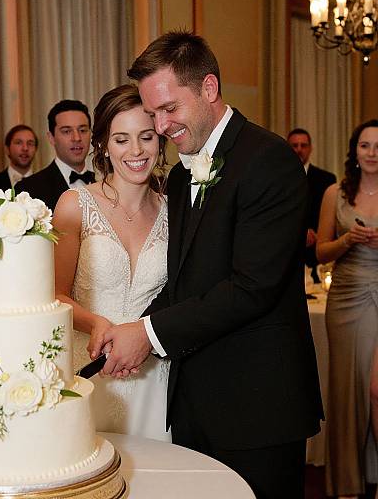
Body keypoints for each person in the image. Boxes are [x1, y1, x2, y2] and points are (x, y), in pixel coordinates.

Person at [91, 31, 323, 499]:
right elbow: (184, 280)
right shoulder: (179, 175)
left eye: (169, 109)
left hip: (258, 405)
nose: (159, 126)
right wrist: (133, 327)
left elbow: (252, 287)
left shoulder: (268, 159)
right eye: (153, 112)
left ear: (209, 89)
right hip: (194, 403)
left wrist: (149, 334)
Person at [52, 84, 170, 441]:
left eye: (146, 137)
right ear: (102, 144)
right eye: (121, 139)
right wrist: (95, 322)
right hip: (89, 371)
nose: (136, 151)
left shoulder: (174, 212)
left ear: (160, 140)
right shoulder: (74, 205)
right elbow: (52, 294)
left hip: (154, 378)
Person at [316, 119, 378, 498]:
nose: (373, 153)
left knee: (375, 389)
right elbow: (321, 252)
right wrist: (346, 240)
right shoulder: (334, 194)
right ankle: (348, 484)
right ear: (354, 151)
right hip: (346, 297)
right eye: (366, 145)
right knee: (345, 392)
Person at [15, 100, 94, 210]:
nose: (77, 138)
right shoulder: (28, 190)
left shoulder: (105, 184)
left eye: (83, 130)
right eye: (66, 131)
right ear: (51, 138)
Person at [287, 128, 336, 282]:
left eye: (303, 145)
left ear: (310, 148)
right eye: (295, 145)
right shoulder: (277, 178)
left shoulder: (326, 179)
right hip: (286, 254)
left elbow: (330, 217)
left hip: (316, 255)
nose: (299, 149)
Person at [0, 124, 38, 193]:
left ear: (36, 149)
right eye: (18, 143)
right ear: (7, 149)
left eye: (30, 143)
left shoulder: (44, 183)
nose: (25, 148)